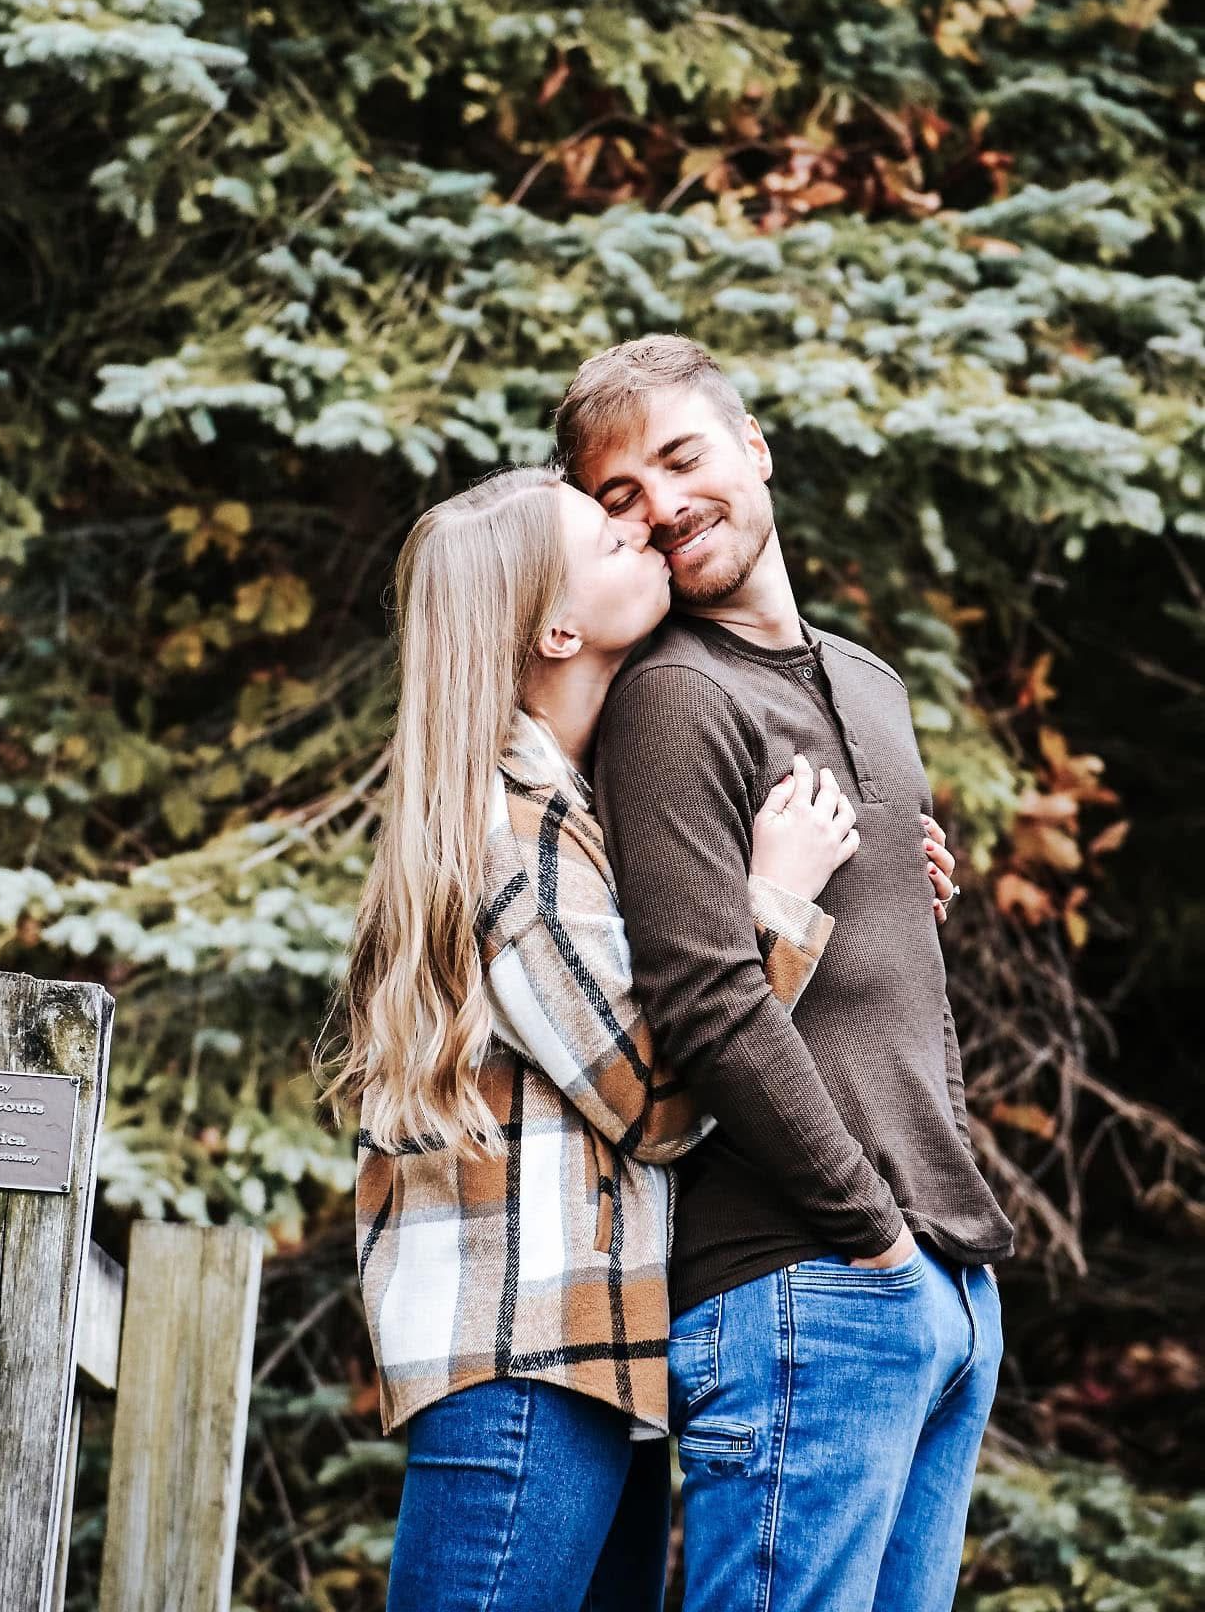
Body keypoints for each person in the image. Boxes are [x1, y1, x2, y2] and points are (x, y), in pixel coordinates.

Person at [323, 465, 856, 1612]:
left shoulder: (578, 808)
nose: (642, 530)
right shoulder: (511, 831)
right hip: (529, 1359)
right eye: (606, 535)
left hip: (600, 1362)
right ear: (557, 626)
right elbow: (660, 1101)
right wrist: (776, 902)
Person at [556, 334, 1017, 1612]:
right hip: (801, 1279)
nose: (661, 503)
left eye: (681, 456)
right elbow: (706, 1002)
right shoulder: (673, 697)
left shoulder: (871, 685)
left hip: (941, 1283)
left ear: (754, 447)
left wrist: (949, 1251)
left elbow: (906, 982)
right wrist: (869, 1233)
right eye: (619, 498)